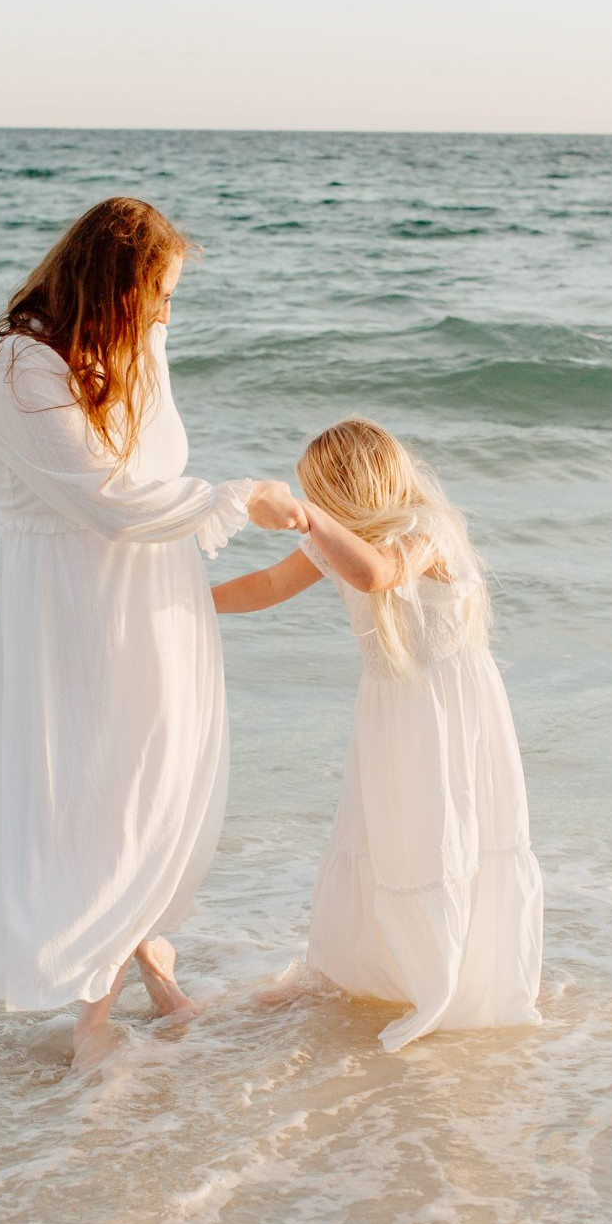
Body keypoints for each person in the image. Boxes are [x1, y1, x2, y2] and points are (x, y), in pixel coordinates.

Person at [0, 197, 305, 1070]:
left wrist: (149, 346)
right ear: (111, 283)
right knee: (102, 791)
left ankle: (149, 961)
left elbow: (151, 465)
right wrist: (239, 496)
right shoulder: (21, 371)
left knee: (160, 774)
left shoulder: (131, 346)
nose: (164, 312)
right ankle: (93, 1020)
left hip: (154, 587)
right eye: (157, 292)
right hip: (75, 603)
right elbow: (104, 500)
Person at [212, 418, 542, 1049]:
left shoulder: (427, 529)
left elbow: (378, 576)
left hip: (447, 713)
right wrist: (197, 599)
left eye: (324, 494)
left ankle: (453, 975)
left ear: (348, 491)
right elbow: (272, 584)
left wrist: (309, 518)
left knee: (443, 833)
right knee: (381, 835)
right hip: (391, 710)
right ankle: (368, 972)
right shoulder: (345, 540)